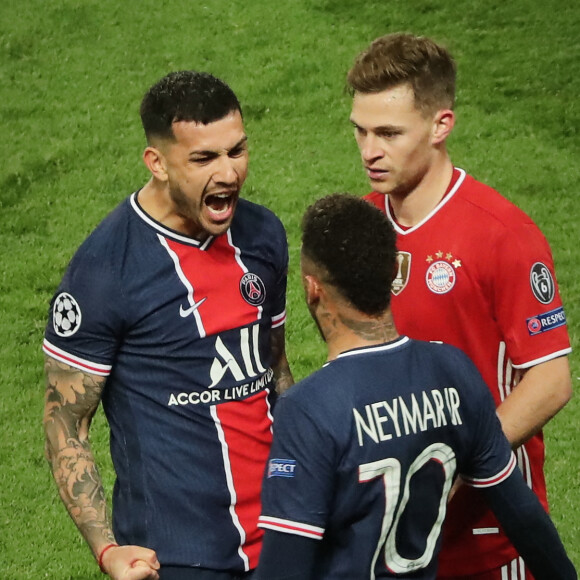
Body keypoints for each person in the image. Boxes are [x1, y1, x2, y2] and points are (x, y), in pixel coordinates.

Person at [43, 70, 293, 580]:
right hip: (175, 555)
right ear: (156, 163)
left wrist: (309, 476)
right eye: (204, 158)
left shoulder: (263, 234)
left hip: (283, 533)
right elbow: (66, 423)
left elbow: (276, 370)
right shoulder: (104, 270)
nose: (229, 173)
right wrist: (107, 548)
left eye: (236, 150)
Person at [345, 33, 573, 579]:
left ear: (441, 125)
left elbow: (549, 381)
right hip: (391, 533)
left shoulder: (502, 235)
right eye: (360, 130)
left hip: (489, 539)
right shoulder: (360, 226)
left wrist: (451, 470)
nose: (369, 150)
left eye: (389, 133)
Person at [254, 193, 576, 580]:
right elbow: (525, 518)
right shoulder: (452, 371)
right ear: (393, 271)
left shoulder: (309, 409)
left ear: (312, 289)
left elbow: (283, 569)